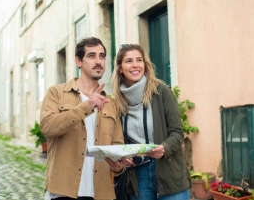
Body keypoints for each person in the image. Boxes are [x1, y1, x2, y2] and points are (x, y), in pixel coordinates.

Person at [40, 37, 126, 200]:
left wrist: (118, 167)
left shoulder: (111, 103)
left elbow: (117, 145)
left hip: (101, 193)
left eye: (102, 56)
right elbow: (47, 127)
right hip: (63, 190)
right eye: (92, 56)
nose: (98, 61)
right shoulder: (56, 93)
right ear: (78, 61)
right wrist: (87, 106)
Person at [111, 44, 191, 200]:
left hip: (167, 170)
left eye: (139, 60)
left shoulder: (161, 92)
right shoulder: (118, 102)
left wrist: (164, 148)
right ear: (120, 68)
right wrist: (123, 155)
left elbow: (177, 132)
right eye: (128, 61)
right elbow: (118, 138)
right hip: (137, 175)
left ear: (145, 65)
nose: (135, 65)